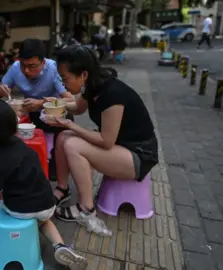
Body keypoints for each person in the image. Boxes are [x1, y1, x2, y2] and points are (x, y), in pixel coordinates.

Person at [46, 46, 158, 235]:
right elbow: (77, 108)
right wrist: (48, 103)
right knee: (64, 136)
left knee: (72, 143)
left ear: (83, 74)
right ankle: (62, 188)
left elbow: (106, 141)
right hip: (120, 147)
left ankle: (86, 208)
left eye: (64, 78)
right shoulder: (93, 86)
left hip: (138, 156)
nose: (62, 84)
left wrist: (71, 125)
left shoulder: (112, 94)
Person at [0, 99, 87, 269]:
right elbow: (12, 164)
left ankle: (8, 246)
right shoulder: (23, 146)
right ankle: (60, 246)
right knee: (43, 221)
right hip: (47, 203)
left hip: (20, 210)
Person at [0, 38, 75, 180]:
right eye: (23, 65)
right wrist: (1, 90)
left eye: (32, 66)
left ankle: (56, 160)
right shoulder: (15, 68)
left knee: (53, 174)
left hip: (55, 118)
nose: (26, 71)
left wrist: (41, 103)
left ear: (43, 62)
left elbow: (70, 99)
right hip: (33, 117)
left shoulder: (54, 69)